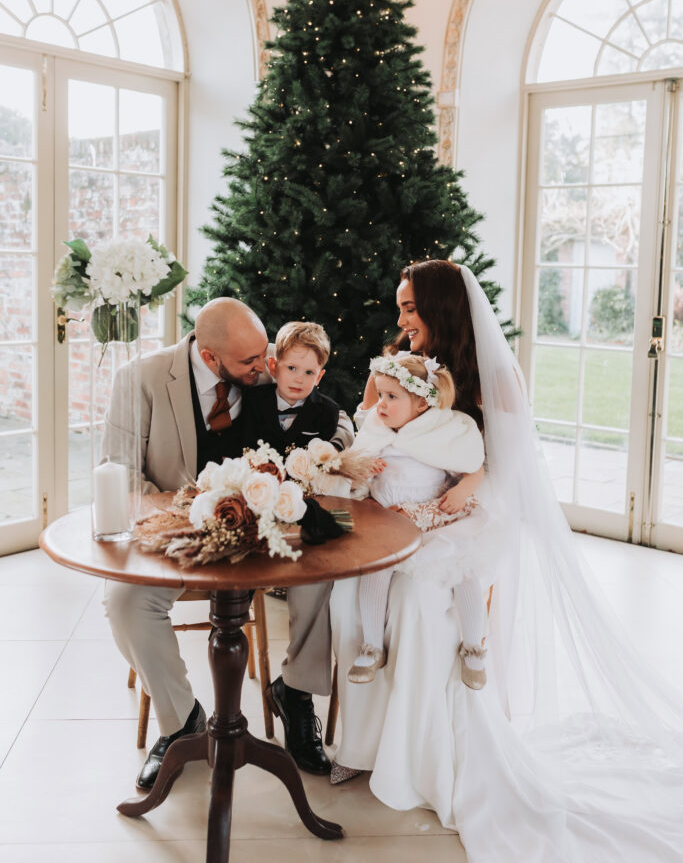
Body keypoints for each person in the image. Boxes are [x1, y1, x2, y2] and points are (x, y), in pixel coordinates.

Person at [330, 259, 683, 863]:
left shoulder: (491, 376)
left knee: (418, 599)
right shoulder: (401, 367)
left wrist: (473, 483)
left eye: (410, 308)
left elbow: (514, 470)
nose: (400, 319)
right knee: (352, 591)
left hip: (470, 517)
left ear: (440, 310)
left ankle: (423, 762)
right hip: (404, 512)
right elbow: (376, 429)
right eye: (400, 308)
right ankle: (362, 746)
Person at [102, 297, 353, 790]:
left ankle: (296, 691)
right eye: (252, 362)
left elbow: (333, 415)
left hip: (263, 524)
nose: (266, 368)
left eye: (267, 357)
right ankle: (181, 724)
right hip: (182, 530)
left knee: (325, 562)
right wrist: (190, 520)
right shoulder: (141, 379)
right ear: (211, 357)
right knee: (124, 600)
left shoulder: (262, 369)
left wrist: (331, 448)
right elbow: (125, 476)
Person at [347, 353, 492, 690]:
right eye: (380, 394)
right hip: (387, 518)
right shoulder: (378, 429)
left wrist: (463, 490)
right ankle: (372, 646)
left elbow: (473, 466)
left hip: (433, 516)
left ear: (422, 405)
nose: (379, 405)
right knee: (375, 569)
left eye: (391, 397)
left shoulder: (441, 432)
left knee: (463, 567)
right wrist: (364, 471)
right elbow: (356, 471)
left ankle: (473, 645)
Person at [241, 320, 342, 457]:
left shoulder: (328, 411)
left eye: (309, 372)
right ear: (273, 367)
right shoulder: (254, 400)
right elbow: (244, 446)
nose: (299, 379)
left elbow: (324, 462)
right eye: (292, 368)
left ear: (319, 377)